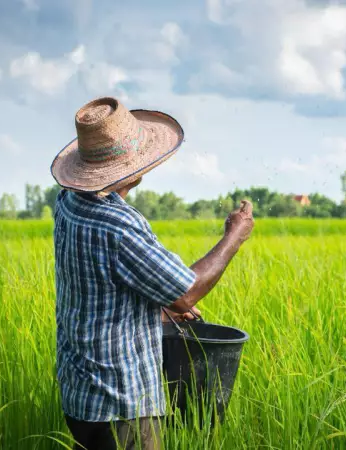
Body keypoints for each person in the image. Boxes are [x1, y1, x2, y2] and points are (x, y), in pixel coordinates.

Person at [49, 97, 255, 449]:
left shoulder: (68, 202)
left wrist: (157, 307)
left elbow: (97, 285)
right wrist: (234, 236)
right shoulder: (118, 225)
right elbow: (186, 292)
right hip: (120, 404)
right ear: (130, 166)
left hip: (80, 395)